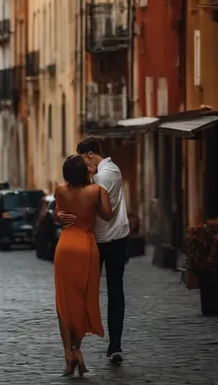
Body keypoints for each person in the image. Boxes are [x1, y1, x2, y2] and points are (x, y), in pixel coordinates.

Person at [58, 137, 130, 365]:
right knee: (99, 290)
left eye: (81, 158)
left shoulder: (103, 176)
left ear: (89, 154)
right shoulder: (105, 173)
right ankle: (90, 343)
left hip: (107, 239)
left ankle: (110, 343)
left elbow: (96, 206)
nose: (81, 164)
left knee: (106, 291)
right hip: (102, 238)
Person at [54, 155, 113, 376]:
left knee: (63, 301)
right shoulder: (97, 191)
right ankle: (77, 349)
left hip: (65, 245)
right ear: (85, 172)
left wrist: (61, 215)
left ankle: (68, 353)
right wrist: (94, 206)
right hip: (86, 246)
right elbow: (108, 215)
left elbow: (56, 215)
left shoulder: (60, 190)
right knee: (83, 299)